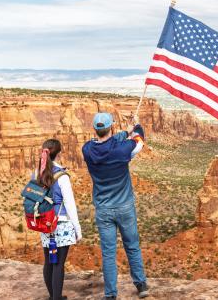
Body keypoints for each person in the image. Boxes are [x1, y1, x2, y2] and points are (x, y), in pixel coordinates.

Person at [82, 113, 148, 299]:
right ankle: (141, 285)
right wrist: (136, 126)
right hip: (125, 207)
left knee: (108, 253)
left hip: (103, 209)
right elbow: (139, 142)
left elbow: (105, 142)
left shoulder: (87, 150)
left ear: (95, 130)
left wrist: (123, 132)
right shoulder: (122, 150)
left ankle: (110, 294)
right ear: (111, 128)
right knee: (132, 246)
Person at [37, 139, 82, 300]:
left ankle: (52, 296)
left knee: (49, 261)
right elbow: (70, 205)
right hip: (61, 224)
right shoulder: (62, 176)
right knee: (58, 264)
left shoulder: (38, 173)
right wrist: (77, 229)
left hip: (45, 224)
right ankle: (56, 298)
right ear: (58, 154)